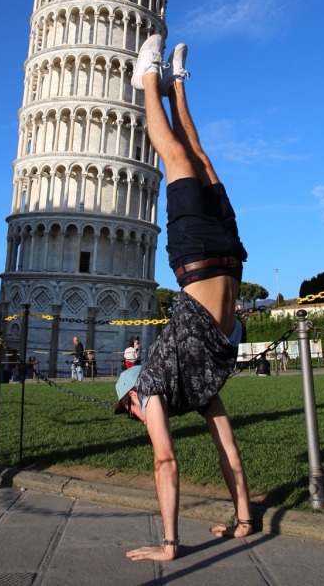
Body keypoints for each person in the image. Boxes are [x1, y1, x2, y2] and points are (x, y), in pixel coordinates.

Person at [114, 35, 253, 562]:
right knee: (199, 158)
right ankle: (166, 86)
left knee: (179, 157)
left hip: (206, 264)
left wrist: (176, 540)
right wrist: (178, 543)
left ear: (135, 399)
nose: (143, 414)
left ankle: (155, 82)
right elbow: (211, 453)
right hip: (222, 258)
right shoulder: (177, 390)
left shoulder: (161, 386)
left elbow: (190, 458)